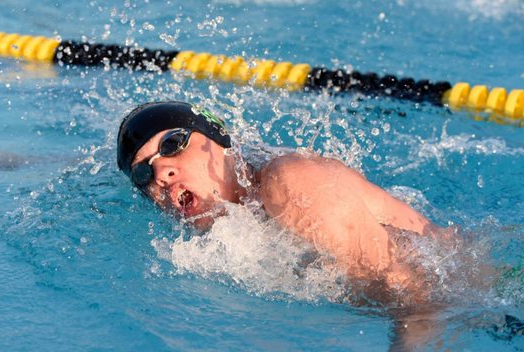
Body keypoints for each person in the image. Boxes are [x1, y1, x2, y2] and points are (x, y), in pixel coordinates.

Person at [117, 101, 439, 301]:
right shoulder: (235, 231)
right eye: (143, 174)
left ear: (218, 137)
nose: (161, 172)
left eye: (173, 144)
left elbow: (412, 293)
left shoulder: (289, 182)